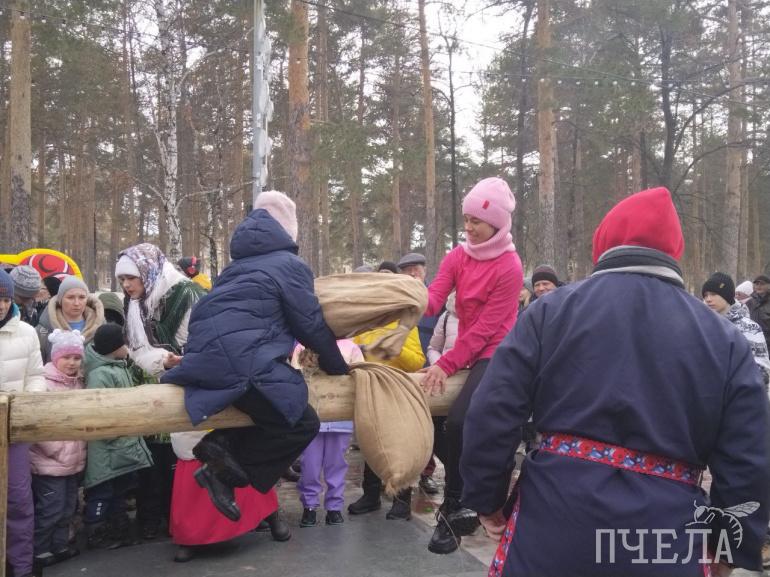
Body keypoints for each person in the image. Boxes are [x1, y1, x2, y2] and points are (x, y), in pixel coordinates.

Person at [461, 187, 770, 577]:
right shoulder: (724, 340)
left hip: (552, 527)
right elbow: (748, 457)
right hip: (663, 542)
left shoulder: (549, 313)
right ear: (673, 251)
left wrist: (488, 500)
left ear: (603, 244)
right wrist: (728, 549)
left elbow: (493, 410)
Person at [163, 191, 349, 529]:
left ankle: (218, 449)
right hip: (243, 362)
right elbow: (310, 325)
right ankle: (221, 470)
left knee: (268, 413)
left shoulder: (233, 269)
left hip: (206, 360)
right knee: (301, 422)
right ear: (287, 232)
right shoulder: (291, 266)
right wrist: (339, 368)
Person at [420, 176, 523, 554]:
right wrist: (404, 302)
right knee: (437, 421)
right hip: (467, 346)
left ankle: (453, 508)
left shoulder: (510, 266)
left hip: (496, 350)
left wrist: (445, 365)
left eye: (475, 220)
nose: (468, 227)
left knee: (462, 420)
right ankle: (469, 490)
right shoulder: (458, 256)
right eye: (465, 219)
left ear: (496, 223)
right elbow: (434, 298)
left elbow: (485, 331)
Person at [114, 242, 209, 555]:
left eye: (131, 278)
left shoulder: (187, 294)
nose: (127, 286)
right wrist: (163, 361)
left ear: (149, 272)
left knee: (199, 455)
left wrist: (183, 360)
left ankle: (208, 529)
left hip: (198, 385)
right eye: (122, 280)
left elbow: (203, 340)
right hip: (164, 381)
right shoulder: (135, 304)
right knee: (176, 461)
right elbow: (137, 350)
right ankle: (188, 530)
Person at [348, 270, 426, 521]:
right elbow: (353, 352)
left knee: (401, 445)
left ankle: (401, 501)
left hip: (397, 390)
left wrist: (394, 346)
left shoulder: (406, 323)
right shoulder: (365, 321)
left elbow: (417, 362)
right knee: (371, 441)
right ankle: (371, 495)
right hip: (369, 388)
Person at [83, 323, 153, 549]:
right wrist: (118, 434)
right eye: (124, 344)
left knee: (119, 491)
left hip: (121, 443)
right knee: (103, 492)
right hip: (110, 446)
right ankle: (97, 532)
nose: (128, 348)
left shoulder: (118, 367)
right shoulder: (100, 374)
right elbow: (100, 411)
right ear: (115, 348)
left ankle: (118, 531)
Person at [0, 269, 46, 577]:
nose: (1, 306)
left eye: (5, 299)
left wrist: (27, 403)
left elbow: (36, 376)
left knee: (18, 500)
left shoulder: (26, 333)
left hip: (15, 430)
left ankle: (20, 566)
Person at [30, 330, 87, 568]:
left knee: (67, 508)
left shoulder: (78, 384)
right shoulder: (43, 384)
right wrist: (55, 450)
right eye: (66, 357)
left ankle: (60, 545)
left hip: (72, 462)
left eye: (77, 358)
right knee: (50, 509)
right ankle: (40, 549)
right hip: (49, 462)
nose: (72, 363)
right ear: (55, 357)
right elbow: (37, 424)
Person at [294, 340, 364, 527]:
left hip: (340, 418)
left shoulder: (351, 346)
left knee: (337, 464)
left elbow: (359, 376)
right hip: (311, 418)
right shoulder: (302, 346)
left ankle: (334, 507)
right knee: (310, 464)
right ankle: (309, 506)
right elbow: (295, 378)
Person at [397, 252, 443, 496]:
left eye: (417, 269)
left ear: (425, 272)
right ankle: (400, 478)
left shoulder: (436, 300)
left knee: (430, 424)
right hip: (402, 372)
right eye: (408, 270)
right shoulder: (397, 300)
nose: (413, 273)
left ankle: (426, 474)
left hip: (431, 372)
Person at [702, 272, 770, 386]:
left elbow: (762, 372)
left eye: (713, 294)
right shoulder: (702, 326)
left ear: (727, 296)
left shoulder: (749, 327)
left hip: (738, 394)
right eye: (705, 295)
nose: (708, 299)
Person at [36, 275, 104, 363]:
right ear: (60, 300)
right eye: (70, 297)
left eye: (82, 297)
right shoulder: (42, 332)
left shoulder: (101, 328)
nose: (76, 303)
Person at [748, 274, 770, 343]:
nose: (759, 286)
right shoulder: (749, 302)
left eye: (762, 284)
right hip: (752, 341)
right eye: (757, 284)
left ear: (768, 286)